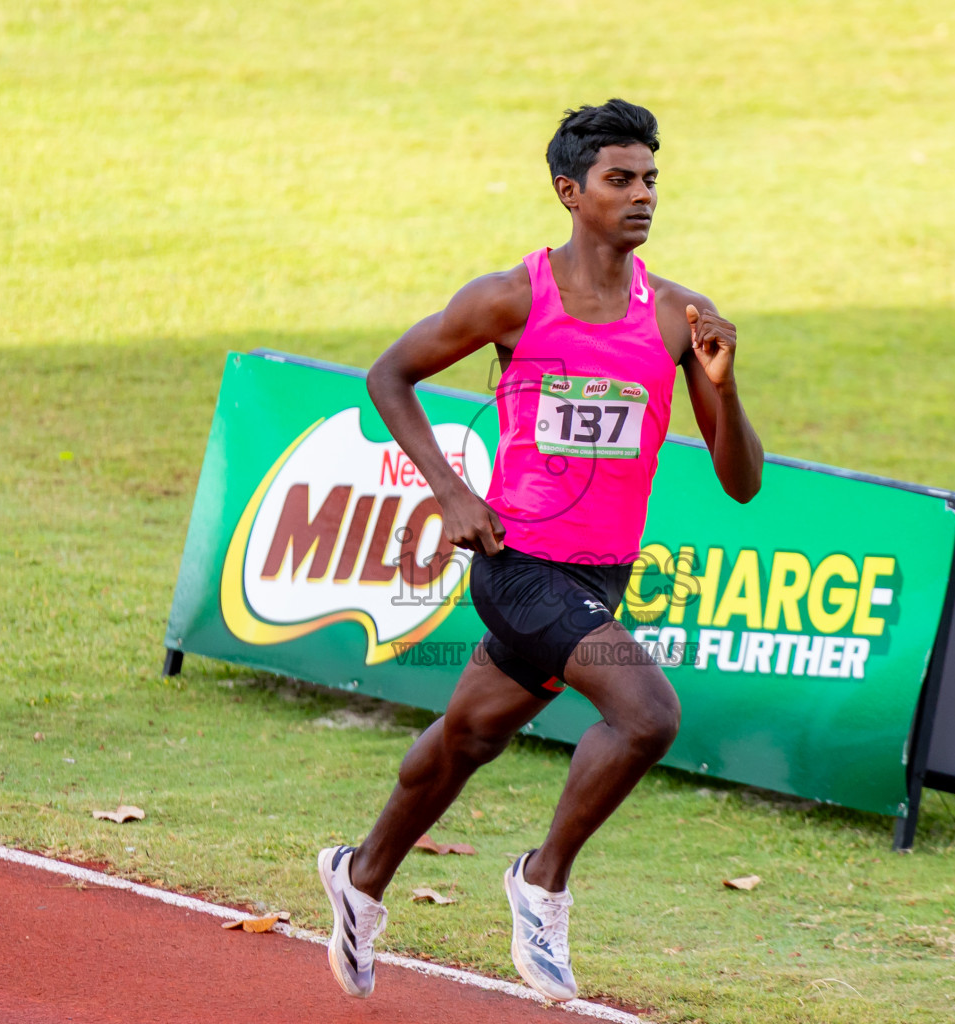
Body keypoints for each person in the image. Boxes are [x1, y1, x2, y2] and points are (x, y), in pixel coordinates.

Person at [317, 98, 765, 1003]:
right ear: (570, 191)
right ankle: (541, 880)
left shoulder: (680, 316)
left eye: (650, 180)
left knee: (468, 738)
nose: (641, 195)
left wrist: (723, 385)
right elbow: (389, 375)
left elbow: (741, 480)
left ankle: (359, 877)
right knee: (647, 714)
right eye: (619, 180)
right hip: (517, 563)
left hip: (600, 575)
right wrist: (452, 492)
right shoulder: (511, 298)